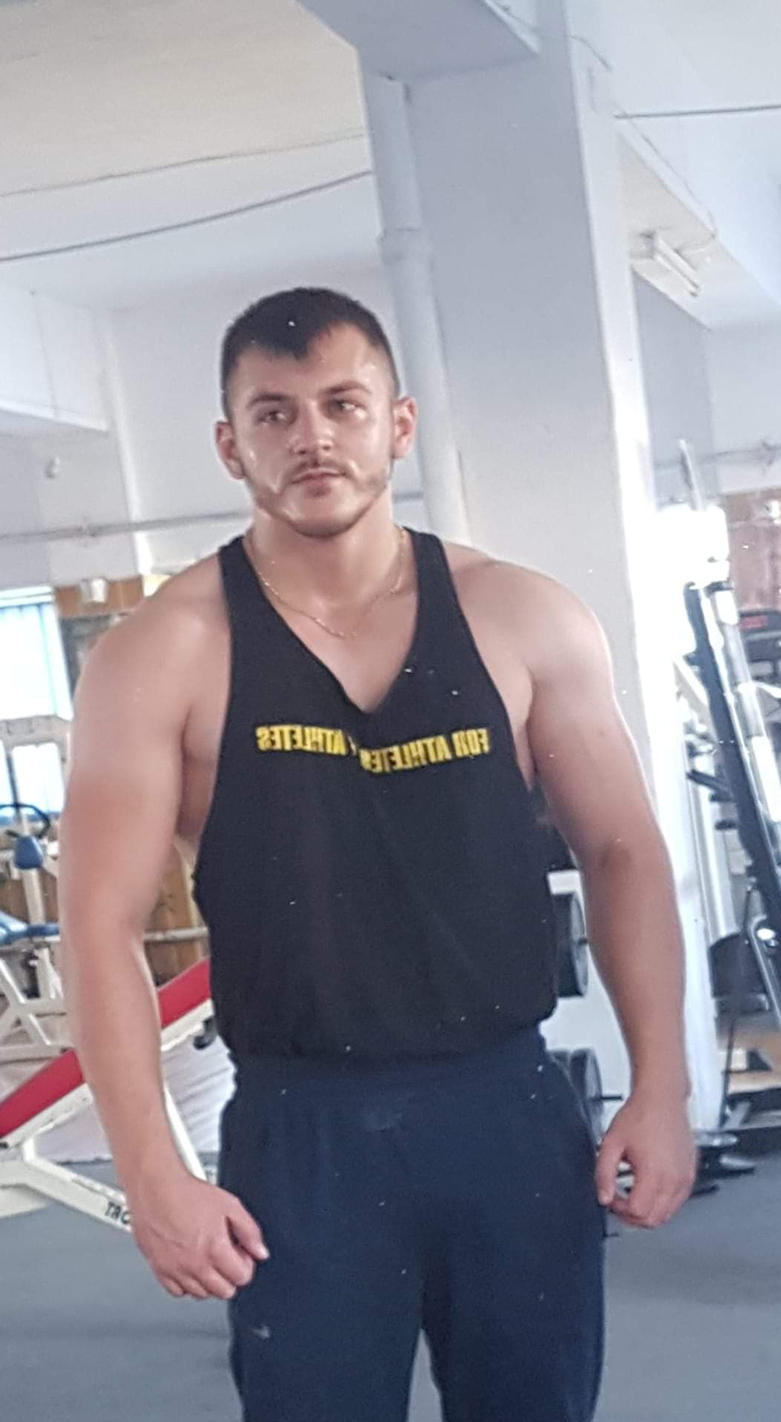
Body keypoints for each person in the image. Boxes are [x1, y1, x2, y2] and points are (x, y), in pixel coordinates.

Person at [61, 287, 697, 1422]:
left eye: (342, 404)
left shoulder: (521, 617)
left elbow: (621, 851)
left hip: (505, 1110)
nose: (312, 437)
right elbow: (98, 927)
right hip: (303, 1131)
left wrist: (662, 1085)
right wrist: (152, 1170)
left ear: (397, 424)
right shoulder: (162, 653)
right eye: (274, 413)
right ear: (231, 445)